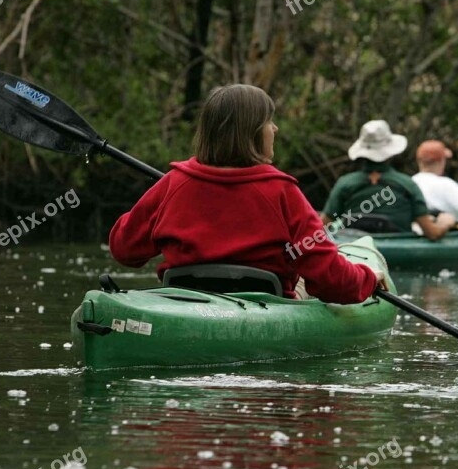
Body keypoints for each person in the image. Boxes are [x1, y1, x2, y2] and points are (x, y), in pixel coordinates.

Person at [108, 84, 385, 305]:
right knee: (304, 281)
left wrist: (158, 202)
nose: (275, 129)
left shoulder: (174, 183)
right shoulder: (283, 192)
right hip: (267, 307)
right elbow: (332, 281)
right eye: (269, 122)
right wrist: (367, 278)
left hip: (186, 302)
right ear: (251, 134)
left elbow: (124, 249)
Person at [321, 120, 456, 239]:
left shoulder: (344, 184)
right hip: (400, 250)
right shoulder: (408, 184)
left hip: (354, 248)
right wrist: (446, 222)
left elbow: (323, 227)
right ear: (390, 152)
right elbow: (432, 233)